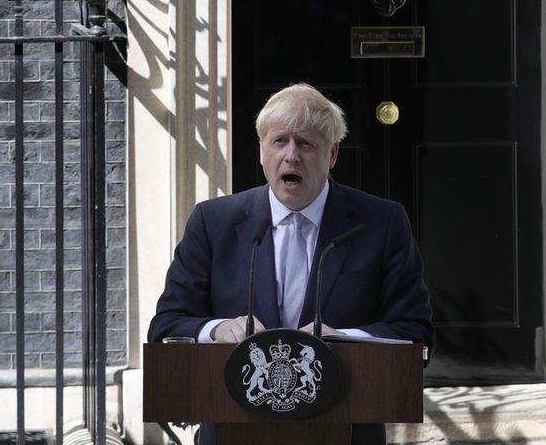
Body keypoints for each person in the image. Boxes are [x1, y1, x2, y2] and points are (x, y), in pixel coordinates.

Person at [148, 84, 432, 441]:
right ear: (262, 152)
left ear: (332, 154)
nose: (291, 156)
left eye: (306, 143)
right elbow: (166, 327)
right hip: (232, 431)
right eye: (279, 141)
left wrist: (345, 340)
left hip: (345, 433)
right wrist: (218, 330)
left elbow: (415, 334)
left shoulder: (381, 222)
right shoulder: (213, 222)